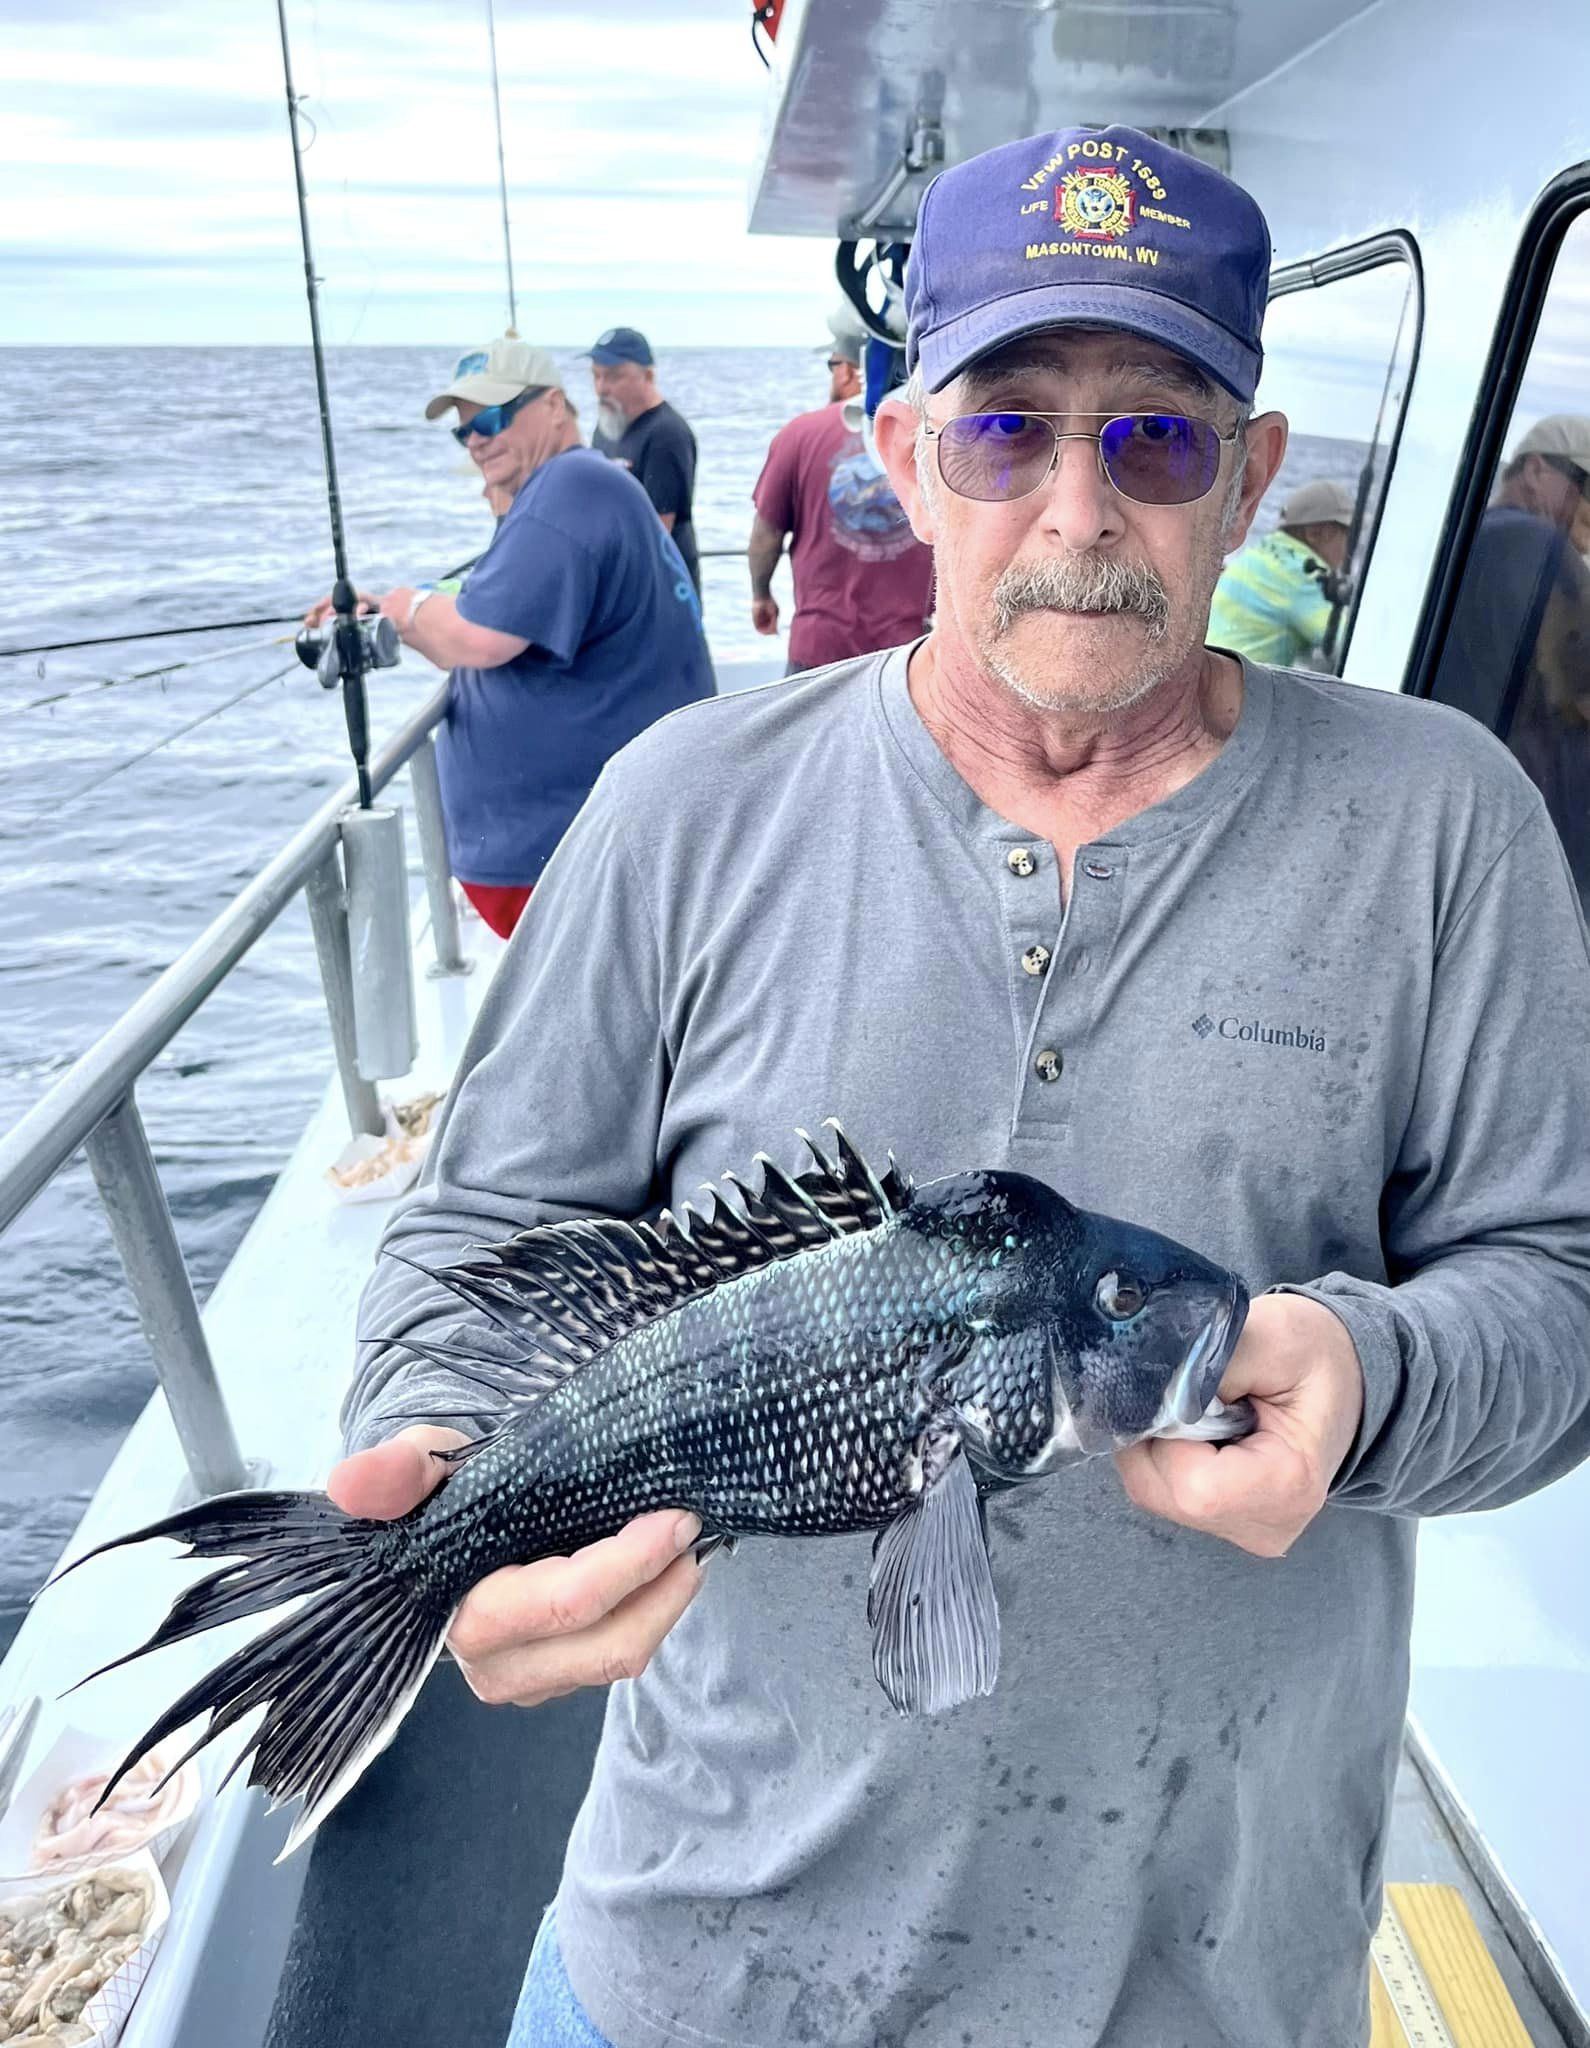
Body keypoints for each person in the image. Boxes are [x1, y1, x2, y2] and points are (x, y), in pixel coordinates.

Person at [334, 126, 1590, 2048]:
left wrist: (1375, 1378)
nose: (1080, 508)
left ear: (1253, 481)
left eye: (1156, 439)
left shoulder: (1447, 825)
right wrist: (441, 1455)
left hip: (1218, 1984)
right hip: (691, 1962)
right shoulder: (684, 808)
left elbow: (1557, 1288)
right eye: (1008, 432)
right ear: (907, 456)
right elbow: (482, 1230)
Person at [304, 336, 713, 941]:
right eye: (463, 431)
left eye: (494, 418)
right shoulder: (586, 486)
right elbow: (491, 595)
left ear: (553, 406)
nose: (477, 439)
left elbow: (477, 637)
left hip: (575, 856)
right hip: (594, 847)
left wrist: (405, 607)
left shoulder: (567, 487)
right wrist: (400, 603)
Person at [749, 323, 936, 672]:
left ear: (850, 369)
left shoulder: (797, 434)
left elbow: (766, 534)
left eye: (832, 365)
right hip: (909, 654)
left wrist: (761, 595)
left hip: (819, 647)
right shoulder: (929, 433)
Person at [587, 327, 701, 595]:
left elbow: (657, 532)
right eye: (596, 376)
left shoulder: (666, 434)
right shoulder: (606, 426)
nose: (602, 388)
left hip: (661, 589)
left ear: (648, 376)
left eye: (614, 377)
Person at [1206, 475, 1353, 666]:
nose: (1350, 549)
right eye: (1347, 535)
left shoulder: (1257, 557)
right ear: (1315, 534)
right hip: (1245, 689)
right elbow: (1349, 644)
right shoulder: (1301, 575)